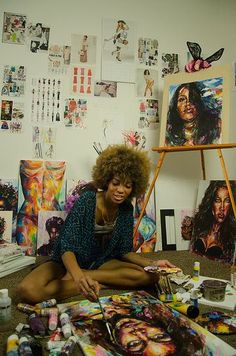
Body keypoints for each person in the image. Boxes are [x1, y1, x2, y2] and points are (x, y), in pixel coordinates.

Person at [17, 144, 175, 303]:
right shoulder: (87, 201)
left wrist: (154, 263)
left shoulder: (126, 209)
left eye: (127, 186)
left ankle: (92, 279)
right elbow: (67, 248)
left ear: (134, 188)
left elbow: (125, 251)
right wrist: (78, 276)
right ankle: (92, 281)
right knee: (27, 291)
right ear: (106, 181)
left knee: (151, 276)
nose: (121, 190)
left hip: (101, 261)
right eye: (116, 183)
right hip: (66, 262)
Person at [190, 181, 236, 264]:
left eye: (227, 201)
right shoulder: (199, 227)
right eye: (218, 200)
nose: (222, 207)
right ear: (211, 203)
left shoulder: (231, 237)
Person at [165, 82, 221, 146]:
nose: (188, 103)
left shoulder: (215, 126)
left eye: (192, 98)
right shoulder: (169, 132)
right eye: (182, 99)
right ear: (175, 106)